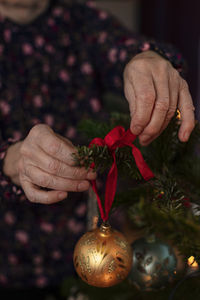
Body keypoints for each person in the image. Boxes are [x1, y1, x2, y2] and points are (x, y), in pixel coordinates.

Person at [0, 0, 195, 297]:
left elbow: (124, 46)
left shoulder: (82, 21)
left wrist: (146, 60)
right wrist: (8, 159)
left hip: (97, 265)